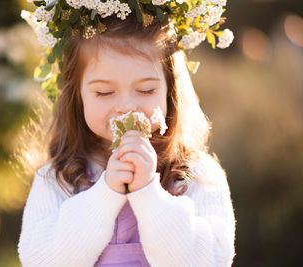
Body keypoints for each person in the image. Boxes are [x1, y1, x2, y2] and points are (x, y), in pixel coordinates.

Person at [18, 3, 236, 266]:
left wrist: (148, 194)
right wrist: (105, 194)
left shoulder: (197, 175)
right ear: (78, 97)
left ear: (169, 92)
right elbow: (40, 260)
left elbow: (210, 261)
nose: (126, 106)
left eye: (145, 90)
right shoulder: (58, 177)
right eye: (104, 93)